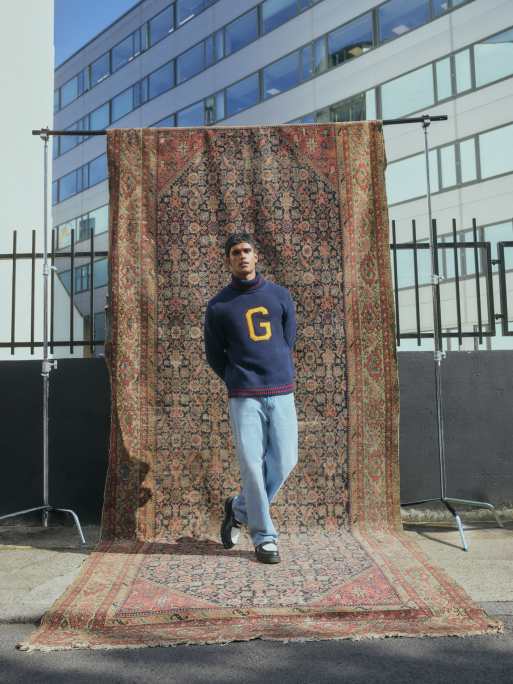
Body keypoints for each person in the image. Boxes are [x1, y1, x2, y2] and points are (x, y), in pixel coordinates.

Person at [204, 233, 298, 564]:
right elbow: (214, 354)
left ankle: (239, 508)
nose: (242, 256)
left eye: (247, 251)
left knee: (285, 460)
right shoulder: (218, 306)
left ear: (256, 256)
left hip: (281, 391)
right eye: (235, 252)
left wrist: (277, 370)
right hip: (244, 396)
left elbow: (288, 339)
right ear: (227, 260)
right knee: (252, 466)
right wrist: (237, 379)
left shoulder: (280, 296)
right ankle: (264, 537)